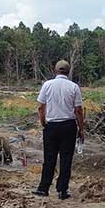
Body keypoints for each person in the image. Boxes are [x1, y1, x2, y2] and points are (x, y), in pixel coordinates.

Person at [32, 60, 85, 200]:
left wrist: (43, 122)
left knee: (49, 158)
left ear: (55, 70)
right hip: (68, 126)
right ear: (68, 71)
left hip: (52, 126)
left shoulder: (47, 85)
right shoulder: (74, 87)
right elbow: (78, 110)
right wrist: (81, 128)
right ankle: (62, 190)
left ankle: (43, 188)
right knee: (66, 159)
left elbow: (41, 107)